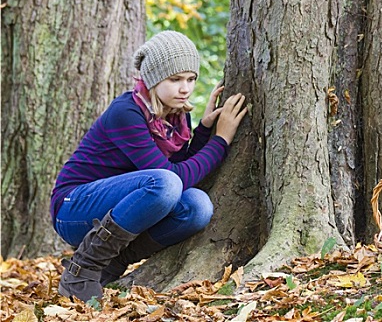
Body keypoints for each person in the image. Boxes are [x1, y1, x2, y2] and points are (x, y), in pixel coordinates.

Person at [50, 30, 247, 302]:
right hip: (73, 209)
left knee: (197, 206)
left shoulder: (175, 118)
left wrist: (203, 130)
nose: (185, 88)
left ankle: (114, 263)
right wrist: (221, 140)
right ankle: (82, 269)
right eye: (175, 79)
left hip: (123, 207)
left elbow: (180, 171)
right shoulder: (126, 112)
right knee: (166, 184)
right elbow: (171, 176)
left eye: (191, 79)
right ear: (154, 79)